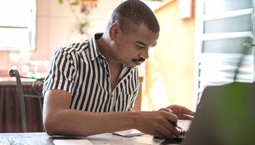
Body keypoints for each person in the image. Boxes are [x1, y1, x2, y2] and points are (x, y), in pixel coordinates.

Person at [43, 0, 193, 139]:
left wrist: (158, 118)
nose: (145, 55)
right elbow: (53, 120)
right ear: (115, 32)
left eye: (149, 48)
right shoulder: (69, 57)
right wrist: (137, 119)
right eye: (140, 46)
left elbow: (117, 118)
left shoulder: (131, 69)